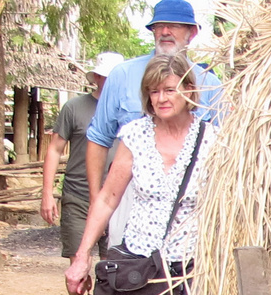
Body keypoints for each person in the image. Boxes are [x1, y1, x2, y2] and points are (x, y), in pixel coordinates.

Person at [64, 54, 216, 295]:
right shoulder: (134, 135)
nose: (161, 98)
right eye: (153, 92)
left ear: (188, 90)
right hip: (141, 266)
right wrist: (82, 256)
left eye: (169, 89)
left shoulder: (213, 140)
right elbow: (107, 198)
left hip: (193, 265)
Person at [84, 0, 222, 248]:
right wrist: (98, 200)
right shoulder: (122, 75)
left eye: (174, 26)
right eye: (159, 26)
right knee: (125, 270)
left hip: (191, 204)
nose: (166, 32)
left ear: (192, 33)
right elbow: (98, 138)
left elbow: (223, 153)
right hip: (128, 189)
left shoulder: (210, 84)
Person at [40, 52, 124, 295]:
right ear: (97, 78)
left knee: (113, 264)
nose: (107, 81)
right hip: (77, 197)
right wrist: (48, 192)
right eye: (103, 76)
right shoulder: (74, 108)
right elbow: (54, 150)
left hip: (118, 199)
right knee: (79, 260)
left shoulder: (130, 109)